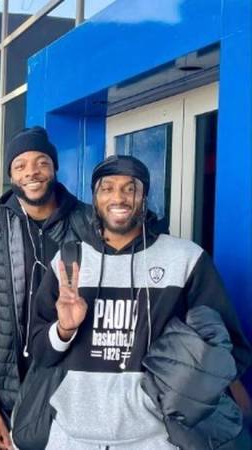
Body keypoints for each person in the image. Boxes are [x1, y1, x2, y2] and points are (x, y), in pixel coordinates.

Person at [30, 155, 251, 449]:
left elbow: (229, 348)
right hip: (71, 438)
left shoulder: (185, 259)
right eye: (107, 188)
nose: (118, 197)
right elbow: (40, 352)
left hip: (154, 439)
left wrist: (189, 386)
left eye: (130, 188)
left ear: (144, 197)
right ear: (95, 198)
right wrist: (64, 330)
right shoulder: (69, 261)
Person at [0, 126, 92, 449]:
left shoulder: (89, 223)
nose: (31, 172)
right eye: (20, 165)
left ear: (54, 168)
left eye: (41, 163)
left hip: (79, 391)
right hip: (14, 395)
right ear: (11, 175)